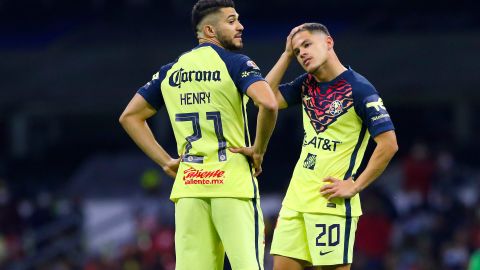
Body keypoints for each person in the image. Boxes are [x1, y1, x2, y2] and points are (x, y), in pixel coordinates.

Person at [119, 0, 278, 269]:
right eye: (231, 21)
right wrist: (258, 150)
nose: (240, 26)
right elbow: (269, 103)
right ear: (210, 30)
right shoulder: (236, 63)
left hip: (190, 189)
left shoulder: (171, 71)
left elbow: (129, 117)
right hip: (232, 185)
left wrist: (165, 161)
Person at [266, 23, 398, 270]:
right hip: (295, 200)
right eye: (297, 51)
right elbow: (266, 98)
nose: (302, 53)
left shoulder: (360, 89)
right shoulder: (305, 84)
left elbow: (388, 144)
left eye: (307, 45)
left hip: (330, 204)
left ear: (328, 43)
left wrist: (356, 185)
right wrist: (285, 56)